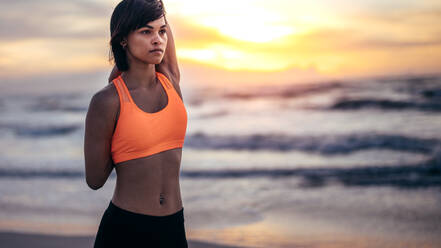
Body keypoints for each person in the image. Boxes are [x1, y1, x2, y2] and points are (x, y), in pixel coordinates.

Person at [83, 0, 188, 247]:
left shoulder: (170, 81)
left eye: (161, 31)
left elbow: (160, 10)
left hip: (174, 228)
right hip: (126, 231)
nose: (157, 39)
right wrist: (124, 142)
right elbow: (95, 180)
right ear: (123, 39)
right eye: (145, 31)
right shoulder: (107, 101)